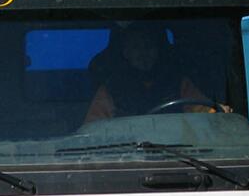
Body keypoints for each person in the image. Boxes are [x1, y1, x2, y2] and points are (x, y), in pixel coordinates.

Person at [82, 22, 225, 125]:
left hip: (178, 152)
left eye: (149, 46)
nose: (143, 53)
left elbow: (206, 115)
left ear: (158, 49)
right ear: (126, 53)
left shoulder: (178, 82)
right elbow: (94, 129)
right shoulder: (110, 89)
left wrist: (220, 114)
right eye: (136, 47)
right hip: (129, 156)